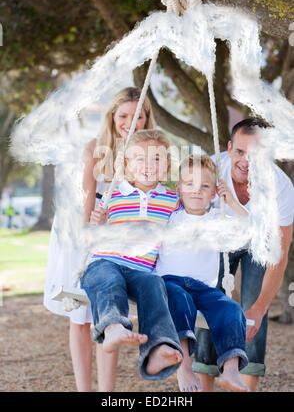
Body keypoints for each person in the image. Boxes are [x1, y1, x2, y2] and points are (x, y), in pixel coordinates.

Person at [43, 87, 156, 391]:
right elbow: (85, 198)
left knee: (109, 315)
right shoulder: (95, 147)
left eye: (138, 115)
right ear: (112, 117)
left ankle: (107, 392)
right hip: (80, 232)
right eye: (123, 115)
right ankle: (84, 389)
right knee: (80, 317)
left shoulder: (150, 153)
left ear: (147, 118)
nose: (131, 121)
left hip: (116, 233)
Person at [193, 118, 294, 392]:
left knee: (253, 309)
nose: (245, 161)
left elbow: (278, 254)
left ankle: (246, 384)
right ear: (229, 148)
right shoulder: (210, 170)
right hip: (219, 238)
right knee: (207, 297)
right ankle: (205, 382)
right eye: (239, 152)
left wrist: (261, 307)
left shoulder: (281, 189)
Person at [81, 129, 183, 381]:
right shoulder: (113, 194)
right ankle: (113, 326)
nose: (148, 165)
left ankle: (158, 347)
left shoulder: (173, 199)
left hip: (142, 270)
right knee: (109, 279)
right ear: (126, 163)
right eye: (140, 159)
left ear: (167, 163)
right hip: (106, 262)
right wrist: (99, 223)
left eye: (157, 159)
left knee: (155, 285)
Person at [155, 154, 249, 393]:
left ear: (214, 192)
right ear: (178, 188)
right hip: (170, 284)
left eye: (204, 186)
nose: (196, 191)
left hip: (203, 288)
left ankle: (230, 370)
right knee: (179, 301)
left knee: (231, 309)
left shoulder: (219, 219)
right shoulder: (168, 216)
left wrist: (233, 203)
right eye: (189, 184)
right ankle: (185, 367)